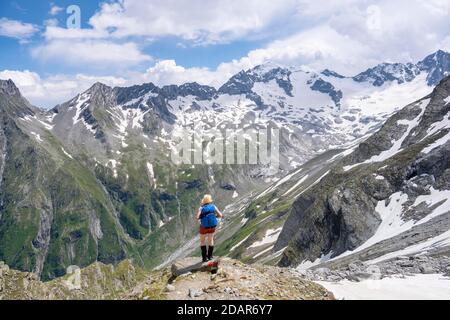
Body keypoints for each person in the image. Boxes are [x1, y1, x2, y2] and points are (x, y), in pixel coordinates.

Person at [196, 194, 223, 262]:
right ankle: (210, 256)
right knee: (210, 240)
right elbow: (220, 215)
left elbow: (197, 217)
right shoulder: (213, 206)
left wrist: (203, 217)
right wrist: (214, 216)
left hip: (203, 227)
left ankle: (204, 258)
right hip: (212, 226)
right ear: (210, 200)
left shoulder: (201, 208)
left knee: (202, 241)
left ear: (203, 201)